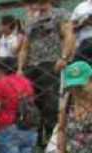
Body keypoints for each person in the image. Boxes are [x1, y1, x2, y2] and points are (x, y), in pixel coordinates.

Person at [19, 0, 76, 142]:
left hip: (51, 63)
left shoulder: (60, 14)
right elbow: (25, 47)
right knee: (32, 106)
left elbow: (69, 35)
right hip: (32, 66)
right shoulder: (32, 19)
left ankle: (53, 139)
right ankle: (38, 140)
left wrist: (63, 57)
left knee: (51, 105)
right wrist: (20, 68)